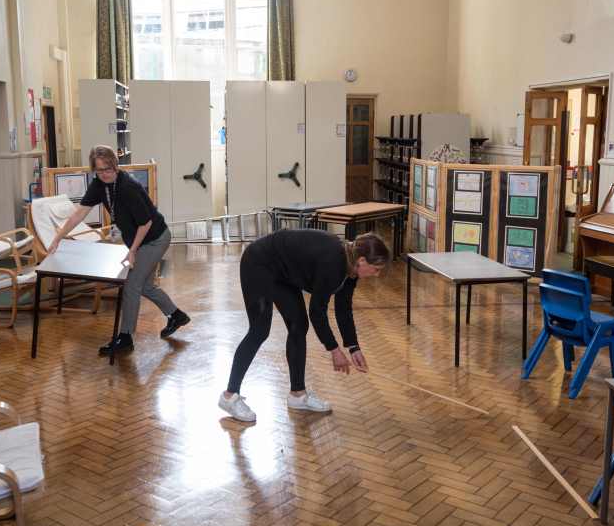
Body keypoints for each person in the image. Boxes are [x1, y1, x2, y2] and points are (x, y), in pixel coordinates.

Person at [218, 229, 390, 423]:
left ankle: (297, 395)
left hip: (283, 272)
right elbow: (317, 312)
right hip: (259, 263)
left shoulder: (350, 267)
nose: (376, 275)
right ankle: (229, 396)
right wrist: (334, 350)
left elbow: (343, 308)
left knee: (298, 325)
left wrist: (353, 347)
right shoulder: (333, 264)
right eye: (376, 269)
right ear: (362, 261)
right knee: (259, 331)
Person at [49, 146, 190, 355]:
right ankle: (176, 315)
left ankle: (125, 337)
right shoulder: (99, 185)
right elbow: (79, 214)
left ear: (115, 165)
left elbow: (146, 223)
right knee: (145, 286)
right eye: (100, 170)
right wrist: (58, 237)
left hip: (155, 239)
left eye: (108, 169)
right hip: (142, 241)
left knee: (132, 284)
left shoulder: (128, 187)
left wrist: (132, 251)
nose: (105, 174)